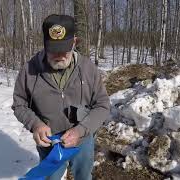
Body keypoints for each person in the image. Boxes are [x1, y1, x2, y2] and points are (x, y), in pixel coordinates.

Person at [12, 14, 110, 180]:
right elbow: (19, 104)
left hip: (82, 138)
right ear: (44, 44)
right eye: (53, 49)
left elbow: (102, 105)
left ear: (74, 42)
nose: (59, 55)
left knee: (84, 175)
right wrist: (35, 124)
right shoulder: (29, 70)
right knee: (51, 176)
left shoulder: (88, 68)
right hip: (49, 142)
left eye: (64, 49)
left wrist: (80, 131)